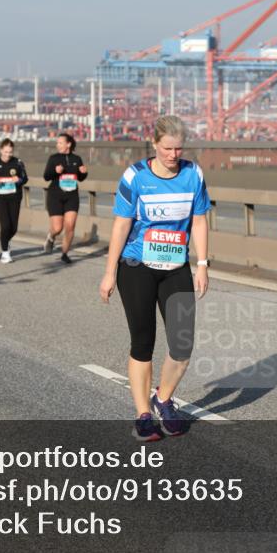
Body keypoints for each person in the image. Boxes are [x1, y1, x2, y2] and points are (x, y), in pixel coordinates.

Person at [99, 115, 210, 441]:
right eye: (167, 148)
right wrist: (109, 273)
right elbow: (120, 226)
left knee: (182, 344)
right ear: (154, 144)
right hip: (136, 267)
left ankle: (163, 399)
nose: (173, 155)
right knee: (143, 343)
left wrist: (202, 264)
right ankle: (143, 414)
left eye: (178, 148)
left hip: (175, 267)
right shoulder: (135, 177)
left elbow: (200, 220)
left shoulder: (193, 175)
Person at [43, 132, 88, 264]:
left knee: (70, 226)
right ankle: (51, 237)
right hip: (55, 195)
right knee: (57, 228)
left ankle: (64, 253)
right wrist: (55, 171)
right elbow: (46, 176)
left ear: (68, 144)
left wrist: (83, 173)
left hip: (72, 196)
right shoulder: (53, 158)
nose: (58, 145)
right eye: (57, 143)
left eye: (60, 143)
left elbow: (80, 178)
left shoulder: (77, 159)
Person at [0, 139, 28, 263]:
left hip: (14, 197)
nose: (8, 154)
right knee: (5, 225)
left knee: (13, 228)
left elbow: (25, 178)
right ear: (1, 150)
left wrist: (18, 180)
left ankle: (5, 242)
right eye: (6, 152)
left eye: (10, 152)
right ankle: (5, 253)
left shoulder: (18, 163)